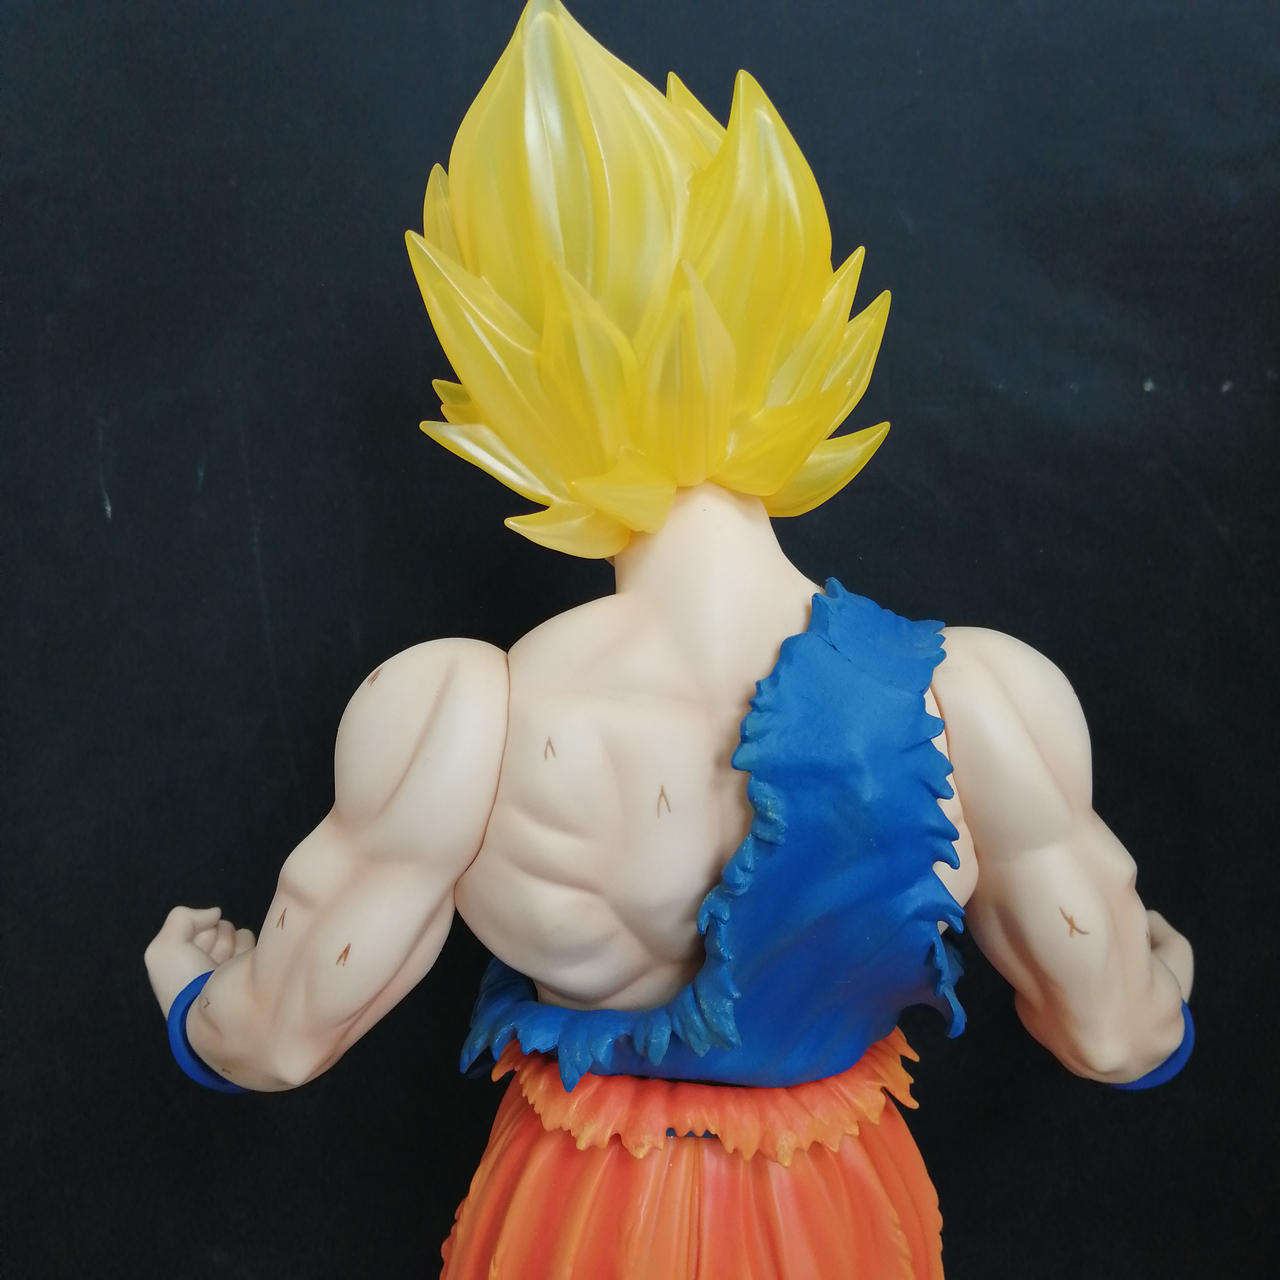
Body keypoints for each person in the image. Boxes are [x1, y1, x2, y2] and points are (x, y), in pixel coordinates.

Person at [145, 4, 1193, 1275]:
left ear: (506, 382)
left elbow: (276, 1039)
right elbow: (1114, 1035)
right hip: (830, 1215)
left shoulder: (466, 713)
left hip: (578, 1212)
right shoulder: (973, 699)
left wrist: (190, 989)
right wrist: (1157, 966)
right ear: (800, 324)